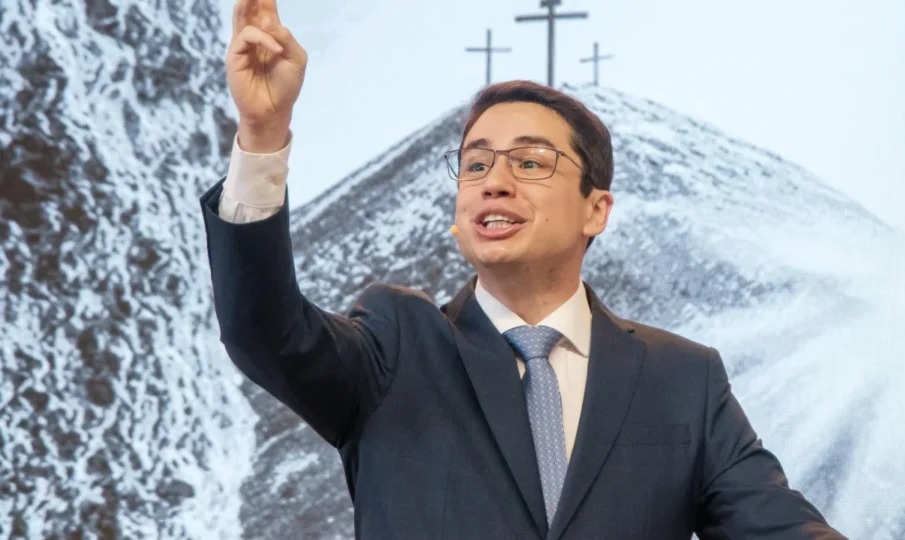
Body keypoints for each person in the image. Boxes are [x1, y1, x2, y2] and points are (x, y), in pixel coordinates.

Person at [200, 1, 848, 538]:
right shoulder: (396, 346)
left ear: (596, 210)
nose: (495, 181)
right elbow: (263, 331)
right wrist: (263, 133)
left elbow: (779, 527)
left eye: (531, 162)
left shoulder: (683, 379)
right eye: (476, 164)